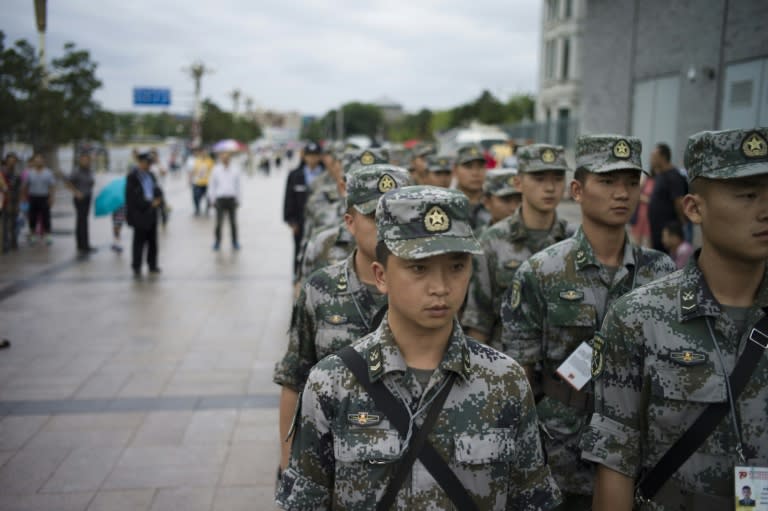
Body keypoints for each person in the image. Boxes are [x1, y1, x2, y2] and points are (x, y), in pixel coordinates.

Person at [276, 185, 562, 510]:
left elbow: (531, 501)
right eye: (418, 268)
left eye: (456, 267)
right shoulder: (331, 384)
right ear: (381, 276)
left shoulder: (506, 382)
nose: (440, 287)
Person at [583, 128, 768, 511]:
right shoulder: (640, 317)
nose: (764, 209)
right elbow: (615, 457)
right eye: (747, 195)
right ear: (694, 208)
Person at [500, 135, 676, 510]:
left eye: (631, 182)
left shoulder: (660, 272)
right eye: (608, 182)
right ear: (577, 190)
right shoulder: (543, 271)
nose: (622, 194)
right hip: (562, 451)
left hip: (641, 451)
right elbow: (521, 378)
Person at [273, 164, 412, 473]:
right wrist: (288, 466)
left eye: (399, 216)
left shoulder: (427, 290)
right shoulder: (319, 290)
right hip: (336, 464)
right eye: (377, 218)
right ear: (350, 222)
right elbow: (294, 380)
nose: (388, 228)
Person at [463, 144, 570, 345]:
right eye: (539, 179)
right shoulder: (492, 241)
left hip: (561, 369)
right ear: (519, 183)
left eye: (558, 178)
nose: (549, 188)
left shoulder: (573, 240)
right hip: (507, 363)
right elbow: (478, 320)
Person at [284, 142, 324, 280]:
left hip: (321, 222)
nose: (312, 159)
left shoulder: (326, 175)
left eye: (315, 155)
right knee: (299, 248)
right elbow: (289, 198)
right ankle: (298, 275)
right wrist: (291, 220)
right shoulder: (295, 175)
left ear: (320, 157)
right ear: (304, 156)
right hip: (300, 221)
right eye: (309, 155)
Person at [125, 152, 163, 278]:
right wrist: (148, 204)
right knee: (139, 242)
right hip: (140, 214)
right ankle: (136, 266)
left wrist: (158, 199)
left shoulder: (151, 175)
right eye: (146, 163)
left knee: (153, 241)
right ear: (140, 163)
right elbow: (132, 198)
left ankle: (152, 265)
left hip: (152, 213)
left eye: (149, 163)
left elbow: (157, 189)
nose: (148, 165)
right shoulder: (132, 177)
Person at [648, 142, 688, 252]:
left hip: (669, 233)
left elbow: (679, 202)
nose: (651, 159)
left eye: (653, 156)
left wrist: (681, 225)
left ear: (663, 157)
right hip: (657, 230)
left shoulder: (674, 176)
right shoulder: (660, 175)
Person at [453, 144, 490, 235]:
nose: (475, 173)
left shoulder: (495, 203)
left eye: (480, 167)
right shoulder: (447, 203)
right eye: (468, 167)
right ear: (455, 170)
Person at [65, 152, 97, 256]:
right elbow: (68, 183)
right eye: (83, 159)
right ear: (80, 160)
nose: (85, 161)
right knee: (81, 221)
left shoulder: (89, 171)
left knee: (84, 221)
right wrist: (76, 192)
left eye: (87, 159)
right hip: (80, 198)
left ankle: (84, 244)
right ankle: (82, 245)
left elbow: (91, 182)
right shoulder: (76, 171)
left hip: (87, 197)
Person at [208, 151, 241, 251]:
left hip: (232, 199)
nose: (225, 159)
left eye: (227, 157)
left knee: (233, 223)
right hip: (220, 199)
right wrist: (212, 199)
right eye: (223, 157)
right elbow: (212, 185)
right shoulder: (216, 170)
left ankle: (235, 241)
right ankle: (217, 241)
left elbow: (239, 186)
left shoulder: (235, 170)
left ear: (229, 158)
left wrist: (239, 199)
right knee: (218, 222)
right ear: (221, 158)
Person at [23, 153, 56, 246]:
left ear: (43, 161)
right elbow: (25, 186)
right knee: (32, 217)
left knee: (46, 217)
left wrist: (52, 197)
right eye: (37, 160)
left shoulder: (48, 172)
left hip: (44, 197)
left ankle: (48, 236)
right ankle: (33, 235)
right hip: (33, 197)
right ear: (34, 162)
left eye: (40, 160)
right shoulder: (30, 172)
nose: (39, 162)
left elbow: (52, 186)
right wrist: (24, 197)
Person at [1, 153, 22, 252]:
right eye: (10, 160)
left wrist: (18, 203)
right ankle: (5, 244)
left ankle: (13, 241)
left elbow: (19, 189)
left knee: (14, 222)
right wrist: (8, 202)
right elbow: (4, 188)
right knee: (5, 222)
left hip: (14, 200)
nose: (12, 162)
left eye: (14, 160)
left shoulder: (17, 173)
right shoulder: (2, 172)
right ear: (6, 160)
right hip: (3, 200)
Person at [187, 147, 214, 216]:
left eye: (205, 152)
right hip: (197, 182)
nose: (203, 153)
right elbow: (192, 171)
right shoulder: (196, 161)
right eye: (202, 152)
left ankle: (207, 210)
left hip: (207, 183)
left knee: (208, 197)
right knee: (196, 196)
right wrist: (190, 179)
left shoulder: (210, 161)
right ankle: (197, 209)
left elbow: (213, 172)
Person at [630, 172, 654, 246]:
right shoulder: (645, 181)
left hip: (650, 214)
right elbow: (635, 194)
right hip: (640, 213)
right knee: (637, 238)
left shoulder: (655, 181)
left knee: (648, 239)